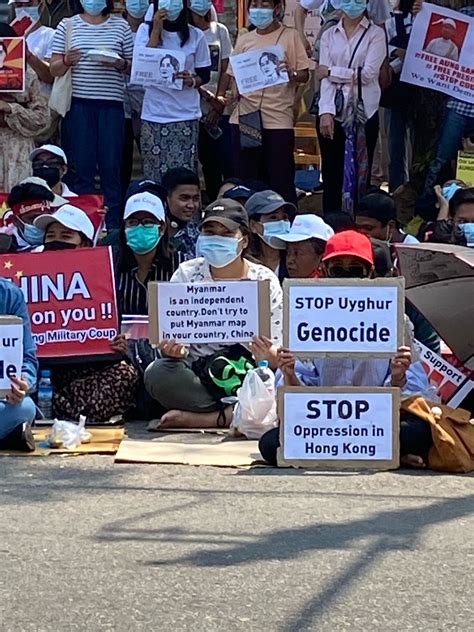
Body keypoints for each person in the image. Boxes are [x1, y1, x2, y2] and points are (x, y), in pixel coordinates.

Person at [259, 229, 434, 468]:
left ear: (371, 273)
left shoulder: (394, 319)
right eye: (337, 268)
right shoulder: (305, 318)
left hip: (375, 422)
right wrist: (289, 373)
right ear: (324, 271)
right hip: (323, 422)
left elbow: (418, 392)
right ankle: (384, 455)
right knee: (269, 444)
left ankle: (367, 452)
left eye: (356, 269)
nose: (346, 275)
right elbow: (293, 400)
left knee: (418, 432)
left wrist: (397, 378)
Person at [144, 198, 283, 428]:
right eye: (210, 232)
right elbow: (168, 338)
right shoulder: (187, 274)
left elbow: (278, 351)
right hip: (197, 377)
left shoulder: (264, 280)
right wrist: (172, 350)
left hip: (247, 376)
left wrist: (268, 355)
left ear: (244, 240)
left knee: (279, 385)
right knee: (158, 374)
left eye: (226, 233)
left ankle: (206, 419)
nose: (216, 239)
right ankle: (236, 415)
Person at [32, 203, 140, 422]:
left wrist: (121, 344)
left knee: (125, 375)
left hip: (91, 369)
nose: (56, 241)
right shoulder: (28, 280)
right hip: (44, 372)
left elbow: (111, 327)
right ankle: (73, 416)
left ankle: (64, 415)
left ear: (84, 244)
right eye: (50, 236)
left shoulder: (105, 279)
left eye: (66, 236)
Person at [50, 0, 134, 230]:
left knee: (111, 169)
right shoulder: (67, 25)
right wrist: (67, 60)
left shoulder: (121, 26)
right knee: (81, 170)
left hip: (112, 107)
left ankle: (114, 229)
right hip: (78, 107)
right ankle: (83, 226)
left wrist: (119, 63)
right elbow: (53, 68)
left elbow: (134, 66)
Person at [217, 0, 309, 206]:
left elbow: (304, 74)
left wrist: (291, 72)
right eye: (254, 4)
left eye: (264, 4)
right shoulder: (245, 39)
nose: (258, 10)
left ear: (277, 8)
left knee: (280, 179)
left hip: (277, 118)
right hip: (246, 117)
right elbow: (233, 74)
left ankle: (284, 223)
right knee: (247, 178)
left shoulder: (290, 36)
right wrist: (232, 93)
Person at [316, 0, 386, 212]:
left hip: (364, 112)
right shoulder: (329, 34)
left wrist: (332, 72)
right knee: (331, 171)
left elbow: (368, 75)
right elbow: (322, 77)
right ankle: (331, 220)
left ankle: (356, 220)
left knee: (360, 170)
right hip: (334, 111)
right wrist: (325, 112)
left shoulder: (376, 34)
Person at [136, 0, 211, 181]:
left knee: (183, 176)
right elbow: (141, 66)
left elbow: (204, 74)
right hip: (154, 115)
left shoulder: (196, 35)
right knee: (155, 173)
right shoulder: (144, 32)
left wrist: (191, 81)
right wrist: (155, 31)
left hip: (184, 115)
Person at [189, 0, 233, 201]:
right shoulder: (186, 33)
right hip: (193, 107)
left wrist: (219, 102)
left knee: (223, 159)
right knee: (205, 162)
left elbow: (226, 69)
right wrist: (206, 95)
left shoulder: (220, 31)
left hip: (219, 109)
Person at [117, 190, 186, 315]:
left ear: (162, 228)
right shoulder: (110, 267)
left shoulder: (183, 266)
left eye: (148, 222)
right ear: (125, 228)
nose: (139, 227)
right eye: (132, 222)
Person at [0, 23, 49, 191]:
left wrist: (11, 108)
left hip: (17, 151)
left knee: (18, 202)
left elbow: (42, 119)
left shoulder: (28, 76)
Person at [0, 278, 37, 452]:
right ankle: (9, 436)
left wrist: (23, 383)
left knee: (26, 408)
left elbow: (28, 359)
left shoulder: (10, 295)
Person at [121, 0, 148, 196]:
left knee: (149, 157)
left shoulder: (155, 31)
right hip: (120, 102)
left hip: (149, 103)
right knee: (121, 160)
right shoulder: (117, 28)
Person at [4, 178, 66, 252]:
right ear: (16, 221)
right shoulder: (4, 247)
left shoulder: (62, 239)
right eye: (32, 219)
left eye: (43, 217)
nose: (39, 222)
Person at [246, 189, 294, 280]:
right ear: (253, 225)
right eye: (273, 217)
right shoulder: (244, 264)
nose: (281, 223)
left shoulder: (294, 260)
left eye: (284, 217)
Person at [162, 167, 201, 257]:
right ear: (166, 198)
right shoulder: (149, 231)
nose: (191, 205)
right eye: (184, 198)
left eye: (195, 199)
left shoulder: (198, 238)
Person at [355, 191, 419, 244]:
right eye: (358, 228)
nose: (361, 234)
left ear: (391, 226)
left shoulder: (414, 250)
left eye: (368, 228)